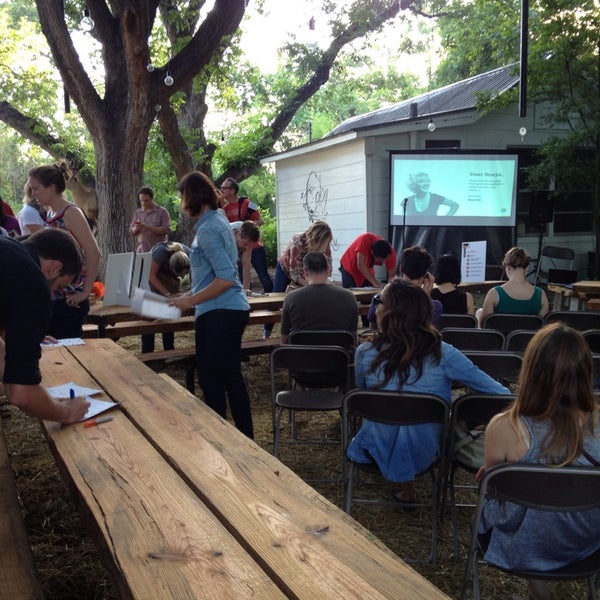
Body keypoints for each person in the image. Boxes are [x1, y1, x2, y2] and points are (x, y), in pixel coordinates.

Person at [346, 280, 510, 503]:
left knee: (393, 415)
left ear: (386, 312)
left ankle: (406, 488)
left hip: (376, 445)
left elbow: (364, 398)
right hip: (427, 451)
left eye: (378, 300)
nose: (375, 305)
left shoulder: (364, 353)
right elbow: (499, 393)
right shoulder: (444, 353)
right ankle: (409, 487)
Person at [477, 323, 600, 600]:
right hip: (586, 543)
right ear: (585, 371)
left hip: (521, 545)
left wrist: (496, 477)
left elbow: (494, 488)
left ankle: (538, 592)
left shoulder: (504, 427)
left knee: (525, 507)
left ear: (531, 370)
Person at [170, 171, 253, 438]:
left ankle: (226, 441)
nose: (182, 203)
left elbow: (226, 277)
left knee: (215, 380)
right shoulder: (217, 219)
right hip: (224, 310)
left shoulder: (208, 228)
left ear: (193, 197)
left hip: (221, 312)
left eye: (183, 196)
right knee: (225, 377)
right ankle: (239, 438)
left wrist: (189, 300)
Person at [0, 229, 90, 423]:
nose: (51, 296)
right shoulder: (32, 282)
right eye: (57, 287)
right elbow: (21, 393)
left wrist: (45, 400)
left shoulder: (7, 251)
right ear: (54, 268)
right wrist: (66, 413)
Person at [28, 161, 101, 339]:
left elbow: (93, 252)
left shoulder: (71, 213)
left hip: (69, 300)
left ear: (51, 187)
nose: (33, 194)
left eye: (36, 188)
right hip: (54, 297)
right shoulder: (50, 213)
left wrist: (85, 291)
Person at [263, 220, 333, 339]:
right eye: (325, 244)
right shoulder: (297, 241)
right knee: (275, 299)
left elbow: (327, 268)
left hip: (308, 273)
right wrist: (313, 286)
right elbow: (294, 273)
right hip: (286, 268)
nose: (326, 247)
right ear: (316, 239)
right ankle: (266, 332)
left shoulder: (325, 245)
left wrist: (323, 283)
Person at [280, 251, 359, 344]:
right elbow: (352, 336)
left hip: (301, 355)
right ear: (329, 270)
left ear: (305, 271)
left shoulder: (291, 298)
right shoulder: (349, 297)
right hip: (338, 356)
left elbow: (284, 338)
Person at [367, 245, 442, 328]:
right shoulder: (434, 306)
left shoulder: (379, 299)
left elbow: (373, 329)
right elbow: (428, 334)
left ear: (401, 268)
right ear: (426, 274)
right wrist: (425, 299)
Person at [220, 178, 273, 294]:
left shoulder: (249, 203)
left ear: (233, 190)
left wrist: (248, 230)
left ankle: (273, 300)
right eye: (221, 187)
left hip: (255, 247)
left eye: (224, 188)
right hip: (239, 248)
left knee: (263, 276)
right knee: (242, 276)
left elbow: (261, 220)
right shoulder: (224, 209)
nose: (221, 190)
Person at [478, 247, 549, 325]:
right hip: (529, 337)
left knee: (479, 312)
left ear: (508, 268)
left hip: (503, 337)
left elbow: (484, 325)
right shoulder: (541, 295)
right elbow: (543, 328)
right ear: (527, 268)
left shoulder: (494, 293)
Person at [141, 241, 191, 354]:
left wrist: (187, 295)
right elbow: (151, 276)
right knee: (150, 315)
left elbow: (195, 280)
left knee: (169, 312)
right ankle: (147, 352)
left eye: (184, 275)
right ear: (171, 266)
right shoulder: (160, 253)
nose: (182, 277)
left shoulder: (189, 255)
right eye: (179, 275)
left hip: (169, 280)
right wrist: (168, 295)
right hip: (153, 277)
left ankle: (169, 351)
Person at [129, 186, 171, 252]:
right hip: (142, 250)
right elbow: (131, 230)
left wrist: (148, 228)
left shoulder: (162, 212)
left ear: (152, 198)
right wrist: (136, 228)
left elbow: (166, 230)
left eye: (146, 201)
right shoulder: (138, 212)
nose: (143, 203)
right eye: (141, 201)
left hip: (158, 250)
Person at [230, 220, 261, 291]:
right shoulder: (226, 236)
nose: (247, 248)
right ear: (238, 235)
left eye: (250, 245)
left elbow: (246, 265)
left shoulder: (247, 237)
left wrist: (246, 289)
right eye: (246, 244)